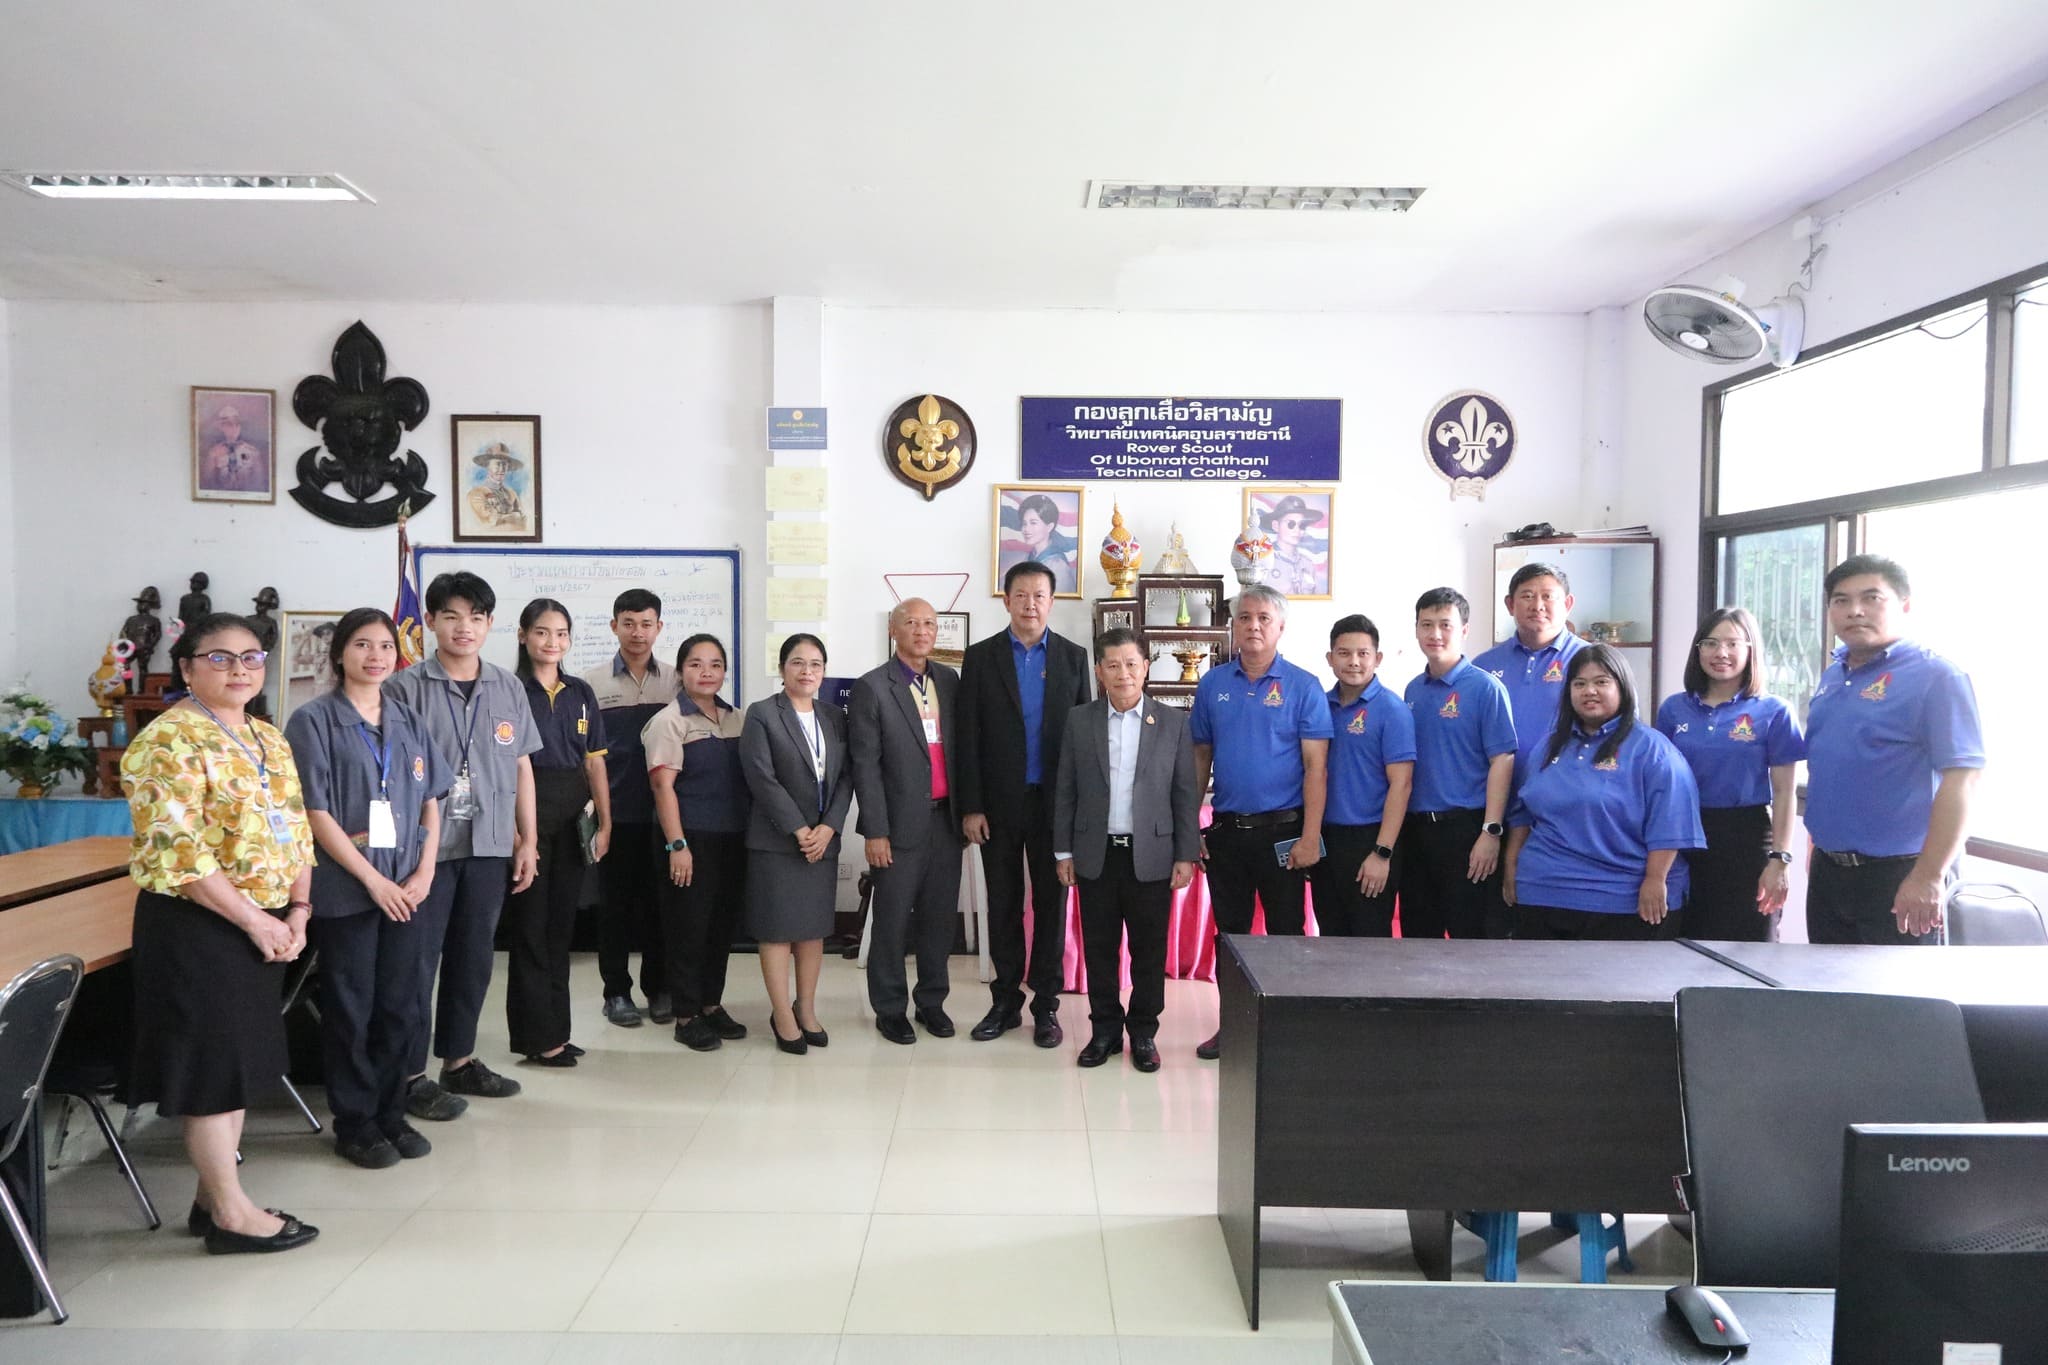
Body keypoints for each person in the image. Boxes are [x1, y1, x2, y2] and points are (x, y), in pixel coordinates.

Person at [120, 613, 319, 1253]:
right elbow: (181, 855)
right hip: (199, 927)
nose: (239, 670)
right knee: (211, 1072)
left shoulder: (267, 737)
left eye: (251, 658)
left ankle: (212, 1201)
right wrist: (255, 920)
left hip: (265, 924)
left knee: (234, 1067)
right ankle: (231, 1215)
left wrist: (297, 911)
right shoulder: (166, 741)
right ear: (186, 667)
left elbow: (297, 833)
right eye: (220, 658)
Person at [285, 609, 449, 1167]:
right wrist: (373, 880)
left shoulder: (408, 719)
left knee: (402, 1005)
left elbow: (431, 800)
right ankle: (355, 1123)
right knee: (352, 1009)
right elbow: (315, 812)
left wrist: (425, 871)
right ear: (340, 654)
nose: (375, 655)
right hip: (348, 890)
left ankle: (391, 1113)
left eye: (384, 645)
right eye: (362, 644)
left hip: (408, 889)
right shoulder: (312, 721)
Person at [382, 571, 539, 1119]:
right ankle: (409, 1075)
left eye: (475, 617)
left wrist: (528, 840)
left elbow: (522, 766)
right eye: (450, 616)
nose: (463, 627)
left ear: (490, 624)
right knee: (416, 963)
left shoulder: (508, 686)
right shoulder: (403, 688)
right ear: (429, 621)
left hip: (490, 843)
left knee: (473, 959)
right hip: (425, 851)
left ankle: (459, 1061)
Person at [1803, 554, 1984, 944]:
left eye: (1871, 598)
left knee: (1898, 985)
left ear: (1904, 605)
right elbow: (1831, 766)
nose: (1855, 611)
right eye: (1841, 600)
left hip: (1902, 874)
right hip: (1829, 872)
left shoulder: (1937, 676)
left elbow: (1963, 781)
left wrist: (1929, 876)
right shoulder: (1834, 675)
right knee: (1825, 981)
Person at [1188, 584, 1331, 1059]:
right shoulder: (1213, 684)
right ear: (1233, 625)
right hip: (1227, 831)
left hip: (1284, 834)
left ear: (1280, 626)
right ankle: (1233, 1027)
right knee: (1231, 937)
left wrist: (1310, 836)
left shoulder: (1304, 686)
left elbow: (1316, 767)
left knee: (1286, 933)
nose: (1253, 626)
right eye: (1245, 617)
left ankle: (1288, 1030)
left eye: (1264, 618)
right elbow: (1200, 757)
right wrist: (1189, 825)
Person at [955, 561, 1093, 1046]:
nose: (1030, 604)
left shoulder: (1074, 658)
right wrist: (971, 805)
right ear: (1006, 600)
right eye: (1020, 595)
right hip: (998, 806)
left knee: (1052, 905)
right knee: (1004, 903)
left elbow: (1084, 740)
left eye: (1039, 595)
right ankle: (1005, 1001)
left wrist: (1080, 811)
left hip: (1055, 807)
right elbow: (968, 737)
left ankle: (1047, 1006)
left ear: (1052, 602)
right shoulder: (981, 657)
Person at [1053, 628, 1201, 1072]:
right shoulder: (1080, 720)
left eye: (1132, 664)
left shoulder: (1172, 722)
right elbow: (1066, 789)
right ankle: (1103, 1032)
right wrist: (1063, 852)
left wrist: (1185, 853)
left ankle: (1143, 1033)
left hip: (1151, 855)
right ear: (1099, 671)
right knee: (1100, 949)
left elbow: (1184, 793)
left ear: (1146, 668)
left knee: (1148, 951)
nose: (1123, 674)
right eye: (1113, 665)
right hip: (1096, 852)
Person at [1503, 645, 1705, 939]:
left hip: (1623, 897)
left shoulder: (1653, 750)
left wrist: (1655, 879)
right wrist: (1512, 867)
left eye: (1601, 682)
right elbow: (1522, 815)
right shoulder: (1548, 747)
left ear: (1623, 687)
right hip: (1543, 890)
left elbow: (1672, 824)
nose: (1589, 691)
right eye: (1579, 684)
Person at [849, 598, 964, 1043]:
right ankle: (890, 1007)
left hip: (945, 822)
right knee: (892, 921)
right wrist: (875, 830)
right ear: (893, 630)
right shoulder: (873, 687)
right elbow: (865, 765)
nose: (921, 630)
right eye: (911, 622)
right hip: (896, 827)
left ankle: (931, 1002)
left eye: (929, 623)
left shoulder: (949, 680)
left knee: (939, 919)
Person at [1654, 607, 1806, 941]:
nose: (1720, 652)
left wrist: (1780, 859)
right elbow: (1659, 784)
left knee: (1750, 945)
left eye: (1732, 643)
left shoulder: (1774, 711)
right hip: (1683, 836)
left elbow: (1784, 793)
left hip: (1745, 839)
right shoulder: (1674, 709)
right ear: (1698, 651)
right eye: (1710, 643)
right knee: (1681, 942)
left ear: (1750, 650)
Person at [504, 599, 610, 1065]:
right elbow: (505, 767)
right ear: (523, 635)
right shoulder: (508, 690)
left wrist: (605, 821)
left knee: (560, 927)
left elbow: (595, 762)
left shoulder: (580, 691)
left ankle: (557, 1032)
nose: (553, 642)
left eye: (561, 633)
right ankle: (537, 1037)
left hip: (573, 815)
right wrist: (516, 836)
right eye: (543, 632)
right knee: (531, 926)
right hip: (527, 812)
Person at [739, 634, 854, 1055]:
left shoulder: (834, 716)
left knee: (812, 932)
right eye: (798, 663)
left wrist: (829, 827)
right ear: (782, 668)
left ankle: (804, 1008)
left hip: (822, 842)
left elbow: (847, 776)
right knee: (777, 932)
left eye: (815, 664)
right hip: (777, 841)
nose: (807, 671)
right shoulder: (763, 713)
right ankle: (781, 1014)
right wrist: (799, 828)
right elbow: (760, 777)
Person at [642, 634, 751, 1051]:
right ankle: (686, 1015)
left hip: (732, 838)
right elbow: (662, 788)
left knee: (721, 927)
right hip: (688, 841)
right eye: (695, 664)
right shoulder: (669, 721)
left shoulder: (737, 718)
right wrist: (677, 845)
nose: (706, 672)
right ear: (681, 670)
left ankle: (710, 1004)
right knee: (688, 928)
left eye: (715, 664)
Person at [581, 589, 678, 1028]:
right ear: (614, 626)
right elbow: (586, 754)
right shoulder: (591, 684)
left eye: (646, 624)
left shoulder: (676, 681)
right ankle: (616, 993)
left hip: (664, 817)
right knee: (614, 909)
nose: (638, 632)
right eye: (629, 623)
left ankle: (659, 988)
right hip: (614, 816)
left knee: (661, 907)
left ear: (659, 628)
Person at [1399, 588, 1517, 939]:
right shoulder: (1412, 690)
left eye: (1445, 625)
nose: (1435, 633)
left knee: (1472, 938)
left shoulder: (1486, 688)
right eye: (1426, 624)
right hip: (1417, 832)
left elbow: (1503, 759)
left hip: (1467, 831)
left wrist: (1490, 831)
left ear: (1464, 630)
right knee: (1419, 937)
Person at [1313, 614, 1416, 937]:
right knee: (1331, 936)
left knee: (1369, 941)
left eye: (1363, 653)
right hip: (1327, 840)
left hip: (1371, 839)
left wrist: (1382, 853)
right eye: (1344, 653)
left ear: (1378, 658)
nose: (1354, 662)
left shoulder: (1392, 710)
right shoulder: (1319, 706)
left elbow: (1402, 784)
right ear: (1330, 658)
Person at [1474, 563, 1584, 775]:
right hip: (1495, 788)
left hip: (1565, 789)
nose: (1538, 606)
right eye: (1527, 596)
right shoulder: (1484, 665)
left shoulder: (1592, 662)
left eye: (1548, 596)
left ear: (1568, 604)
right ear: (1510, 604)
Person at [1260, 494, 1326, 597]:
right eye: (1291, 524)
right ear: (1276, 526)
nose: (1297, 530)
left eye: (1302, 525)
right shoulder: (1262, 562)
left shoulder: (1307, 565)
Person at [1014, 493, 1079, 593]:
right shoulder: (1030, 558)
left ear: (1049, 527)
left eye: (1033, 523)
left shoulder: (1058, 566)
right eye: (1024, 523)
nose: (1026, 529)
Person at [465, 442, 528, 531]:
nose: (502, 469)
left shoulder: (511, 493)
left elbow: (523, 519)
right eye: (498, 464)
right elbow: (488, 523)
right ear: (488, 466)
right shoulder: (476, 494)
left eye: (505, 465)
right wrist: (513, 518)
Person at [202, 406, 266, 493]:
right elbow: (207, 483)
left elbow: (259, 483)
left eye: (237, 424)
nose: (234, 428)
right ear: (221, 427)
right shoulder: (214, 453)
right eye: (229, 424)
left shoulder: (252, 452)